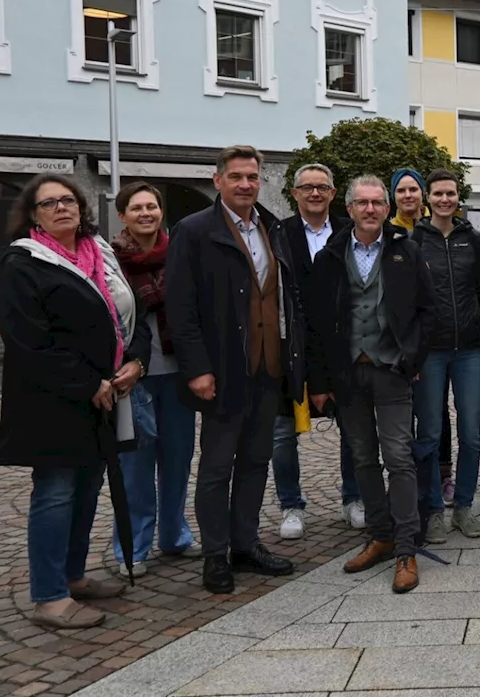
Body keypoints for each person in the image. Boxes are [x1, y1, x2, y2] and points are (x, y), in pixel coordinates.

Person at [0, 174, 149, 627]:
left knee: (87, 490)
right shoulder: (25, 263)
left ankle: (74, 576)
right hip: (53, 401)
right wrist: (86, 382)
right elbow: (29, 340)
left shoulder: (99, 252)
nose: (62, 208)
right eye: (49, 203)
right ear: (33, 215)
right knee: (57, 493)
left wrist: (135, 360)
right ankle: (48, 596)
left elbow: (128, 312)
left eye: (68, 200)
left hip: (103, 397)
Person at [166, 145, 303, 594]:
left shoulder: (272, 226)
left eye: (252, 176)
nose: (246, 184)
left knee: (255, 462)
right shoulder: (194, 231)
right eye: (237, 176)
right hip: (223, 369)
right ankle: (215, 554)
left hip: (268, 367)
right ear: (217, 180)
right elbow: (180, 308)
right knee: (217, 467)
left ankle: (245, 544)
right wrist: (197, 368)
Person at [305, 175, 433, 592]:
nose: (371, 210)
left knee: (398, 456)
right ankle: (379, 535)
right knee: (362, 457)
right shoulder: (330, 256)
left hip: (391, 369)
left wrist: (413, 356)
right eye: (363, 203)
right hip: (347, 372)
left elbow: (428, 310)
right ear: (351, 207)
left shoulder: (406, 251)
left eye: (378, 202)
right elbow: (318, 324)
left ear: (385, 207)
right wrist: (320, 380)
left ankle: (405, 546)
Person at [110, 182, 200, 576]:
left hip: (179, 372)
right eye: (137, 208)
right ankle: (133, 546)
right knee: (136, 466)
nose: (146, 213)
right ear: (123, 214)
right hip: (136, 377)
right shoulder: (111, 261)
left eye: (152, 206)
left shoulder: (180, 252)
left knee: (178, 460)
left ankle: (174, 534)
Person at [271, 164, 363, 540]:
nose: (314, 193)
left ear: (333, 192)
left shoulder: (348, 230)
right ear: (294, 194)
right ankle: (291, 505)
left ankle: (353, 497)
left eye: (321, 187)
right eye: (307, 187)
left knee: (352, 427)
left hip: (340, 342)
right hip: (289, 343)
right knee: (282, 433)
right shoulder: (277, 234)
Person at [414, 169, 480, 543]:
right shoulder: (415, 240)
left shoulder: (470, 239)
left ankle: (463, 506)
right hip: (430, 352)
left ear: (458, 198)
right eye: (438, 194)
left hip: (470, 350)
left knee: (471, 435)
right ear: (428, 199)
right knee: (429, 434)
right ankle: (432, 511)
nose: (445, 199)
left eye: (451, 194)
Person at [390, 167, 454, 500]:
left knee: (436, 414)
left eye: (413, 189)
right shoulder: (390, 234)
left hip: (440, 341)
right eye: (401, 191)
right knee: (406, 416)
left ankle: (442, 474)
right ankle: (409, 479)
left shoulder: (437, 233)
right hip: (405, 342)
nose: (408, 196)